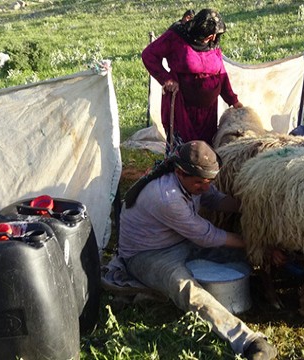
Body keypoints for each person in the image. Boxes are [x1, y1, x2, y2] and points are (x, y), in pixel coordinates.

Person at [118, 141, 277, 360]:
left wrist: (252, 206)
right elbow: (208, 236)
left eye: (210, 181)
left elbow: (214, 199)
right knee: (187, 289)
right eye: (200, 183)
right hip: (146, 254)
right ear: (179, 173)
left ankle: (264, 289)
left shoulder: (193, 180)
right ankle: (249, 342)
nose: (205, 186)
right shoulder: (167, 197)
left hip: (179, 241)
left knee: (239, 255)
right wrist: (256, 244)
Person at [142, 9, 243, 152]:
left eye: (214, 35)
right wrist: (166, 78)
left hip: (208, 113)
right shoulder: (177, 36)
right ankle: (177, 174)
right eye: (209, 35)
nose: (213, 38)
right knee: (183, 151)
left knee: (203, 152)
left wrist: (233, 100)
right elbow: (149, 55)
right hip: (181, 107)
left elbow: (221, 74)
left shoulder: (213, 42)